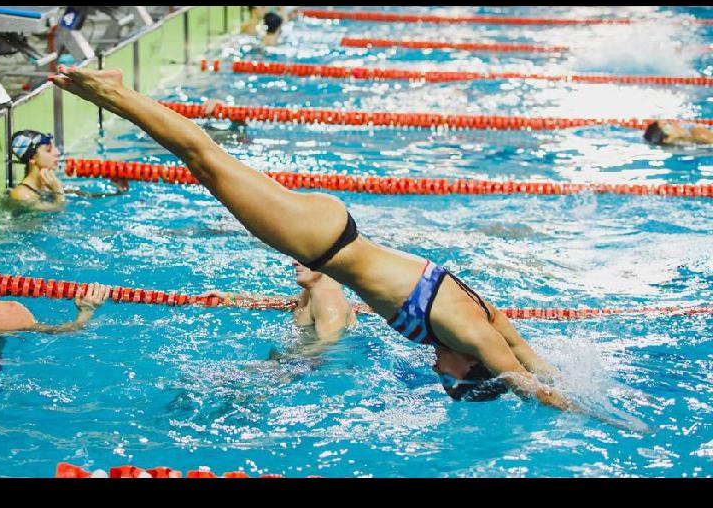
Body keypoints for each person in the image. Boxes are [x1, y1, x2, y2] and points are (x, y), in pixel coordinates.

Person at [52, 66, 643, 428]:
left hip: (336, 232)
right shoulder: (472, 336)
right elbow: (526, 380)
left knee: (212, 163)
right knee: (205, 161)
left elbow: (532, 360)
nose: (438, 370)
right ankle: (110, 94)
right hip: (324, 244)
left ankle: (117, 93)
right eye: (450, 378)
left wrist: (566, 385)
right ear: (471, 367)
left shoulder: (490, 327)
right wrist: (600, 418)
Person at [205, 259, 356, 355]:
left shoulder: (328, 300)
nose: (294, 262)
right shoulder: (313, 292)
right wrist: (230, 297)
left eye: (301, 256)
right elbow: (282, 302)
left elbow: (329, 346)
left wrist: (285, 362)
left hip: (300, 370)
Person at [8, 129, 129, 212]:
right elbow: (57, 210)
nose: (57, 153)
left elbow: (86, 197)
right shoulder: (22, 195)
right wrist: (58, 191)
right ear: (32, 158)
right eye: (49, 150)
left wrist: (119, 192)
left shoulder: (46, 185)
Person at [643, 120, 713, 146]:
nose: (674, 122)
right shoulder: (697, 133)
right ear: (667, 138)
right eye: (668, 124)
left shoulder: (676, 148)